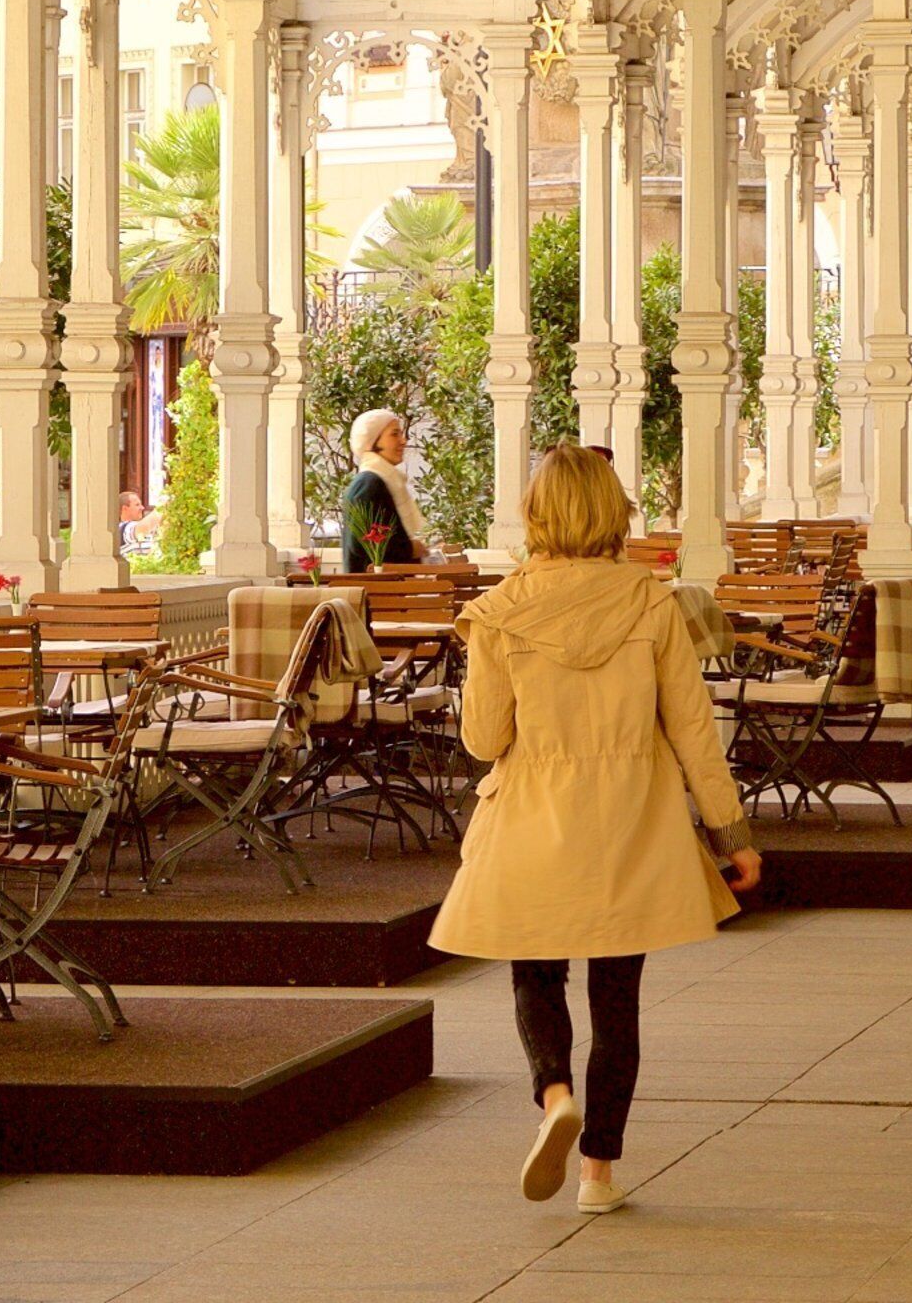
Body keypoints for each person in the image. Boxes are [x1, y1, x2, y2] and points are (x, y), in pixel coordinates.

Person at [429, 444, 760, 1217]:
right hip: (631, 818)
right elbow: (693, 730)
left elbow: (483, 739)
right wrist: (731, 835)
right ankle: (597, 1174)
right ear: (615, 510)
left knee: (535, 974)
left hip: (533, 814)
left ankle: (554, 1095)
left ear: (535, 513)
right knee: (618, 1000)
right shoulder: (652, 603)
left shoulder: (499, 612)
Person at [340, 408, 433, 572]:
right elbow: (366, 544)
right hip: (374, 585)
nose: (403, 441)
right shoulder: (368, 484)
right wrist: (411, 549)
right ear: (372, 441)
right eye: (394, 434)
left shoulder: (383, 481)